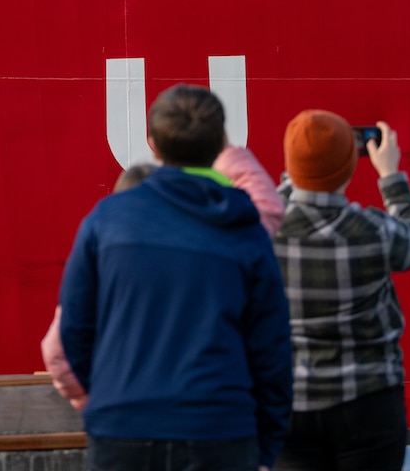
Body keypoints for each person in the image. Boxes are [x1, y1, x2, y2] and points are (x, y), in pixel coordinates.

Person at [58, 84, 292, 471]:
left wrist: (112, 398)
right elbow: (271, 345)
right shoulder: (245, 229)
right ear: (221, 144)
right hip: (220, 429)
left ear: (152, 144)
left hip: (123, 429)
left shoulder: (106, 220)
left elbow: (75, 329)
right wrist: (264, 444)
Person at [42, 145, 286, 411]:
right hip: (204, 412)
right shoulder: (206, 259)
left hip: (122, 417)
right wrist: (218, 147)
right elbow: (265, 209)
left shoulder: (102, 263)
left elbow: (59, 351)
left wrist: (97, 398)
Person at [272, 113, 410, 471]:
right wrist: (390, 176)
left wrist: (295, 176)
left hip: (290, 402)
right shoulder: (373, 231)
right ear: (349, 167)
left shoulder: (265, 230)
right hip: (369, 402)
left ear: (291, 167)